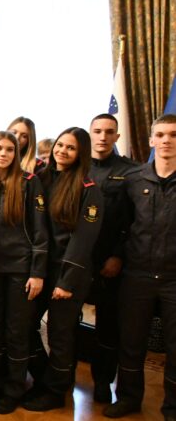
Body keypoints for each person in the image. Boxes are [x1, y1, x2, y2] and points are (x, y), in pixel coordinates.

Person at [23, 127, 103, 411]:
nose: (62, 151)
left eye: (71, 147)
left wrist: (66, 282)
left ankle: (56, 392)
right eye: (60, 145)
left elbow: (83, 240)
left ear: (81, 153)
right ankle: (46, 379)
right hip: (40, 269)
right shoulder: (40, 179)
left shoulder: (88, 189)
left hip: (68, 274)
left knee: (60, 334)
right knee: (25, 325)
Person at [104, 114, 176, 421]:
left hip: (174, 278)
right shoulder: (134, 180)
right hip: (137, 275)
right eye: (161, 134)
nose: (167, 140)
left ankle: (172, 408)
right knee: (131, 343)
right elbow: (122, 227)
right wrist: (117, 257)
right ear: (151, 140)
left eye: (173, 135)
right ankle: (129, 398)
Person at [0, 131, 48, 415]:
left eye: (8, 149)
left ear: (16, 154)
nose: (2, 154)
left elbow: (40, 231)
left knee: (16, 331)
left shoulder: (29, 182)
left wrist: (37, 272)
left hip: (20, 268)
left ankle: (14, 388)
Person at [84, 114, 140, 404]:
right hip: (77, 259)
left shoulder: (132, 172)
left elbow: (134, 221)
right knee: (64, 325)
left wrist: (118, 255)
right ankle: (60, 379)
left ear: (117, 137)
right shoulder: (77, 166)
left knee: (108, 328)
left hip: (110, 261)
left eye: (109, 132)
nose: (103, 137)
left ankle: (103, 382)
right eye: (97, 131)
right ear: (90, 133)